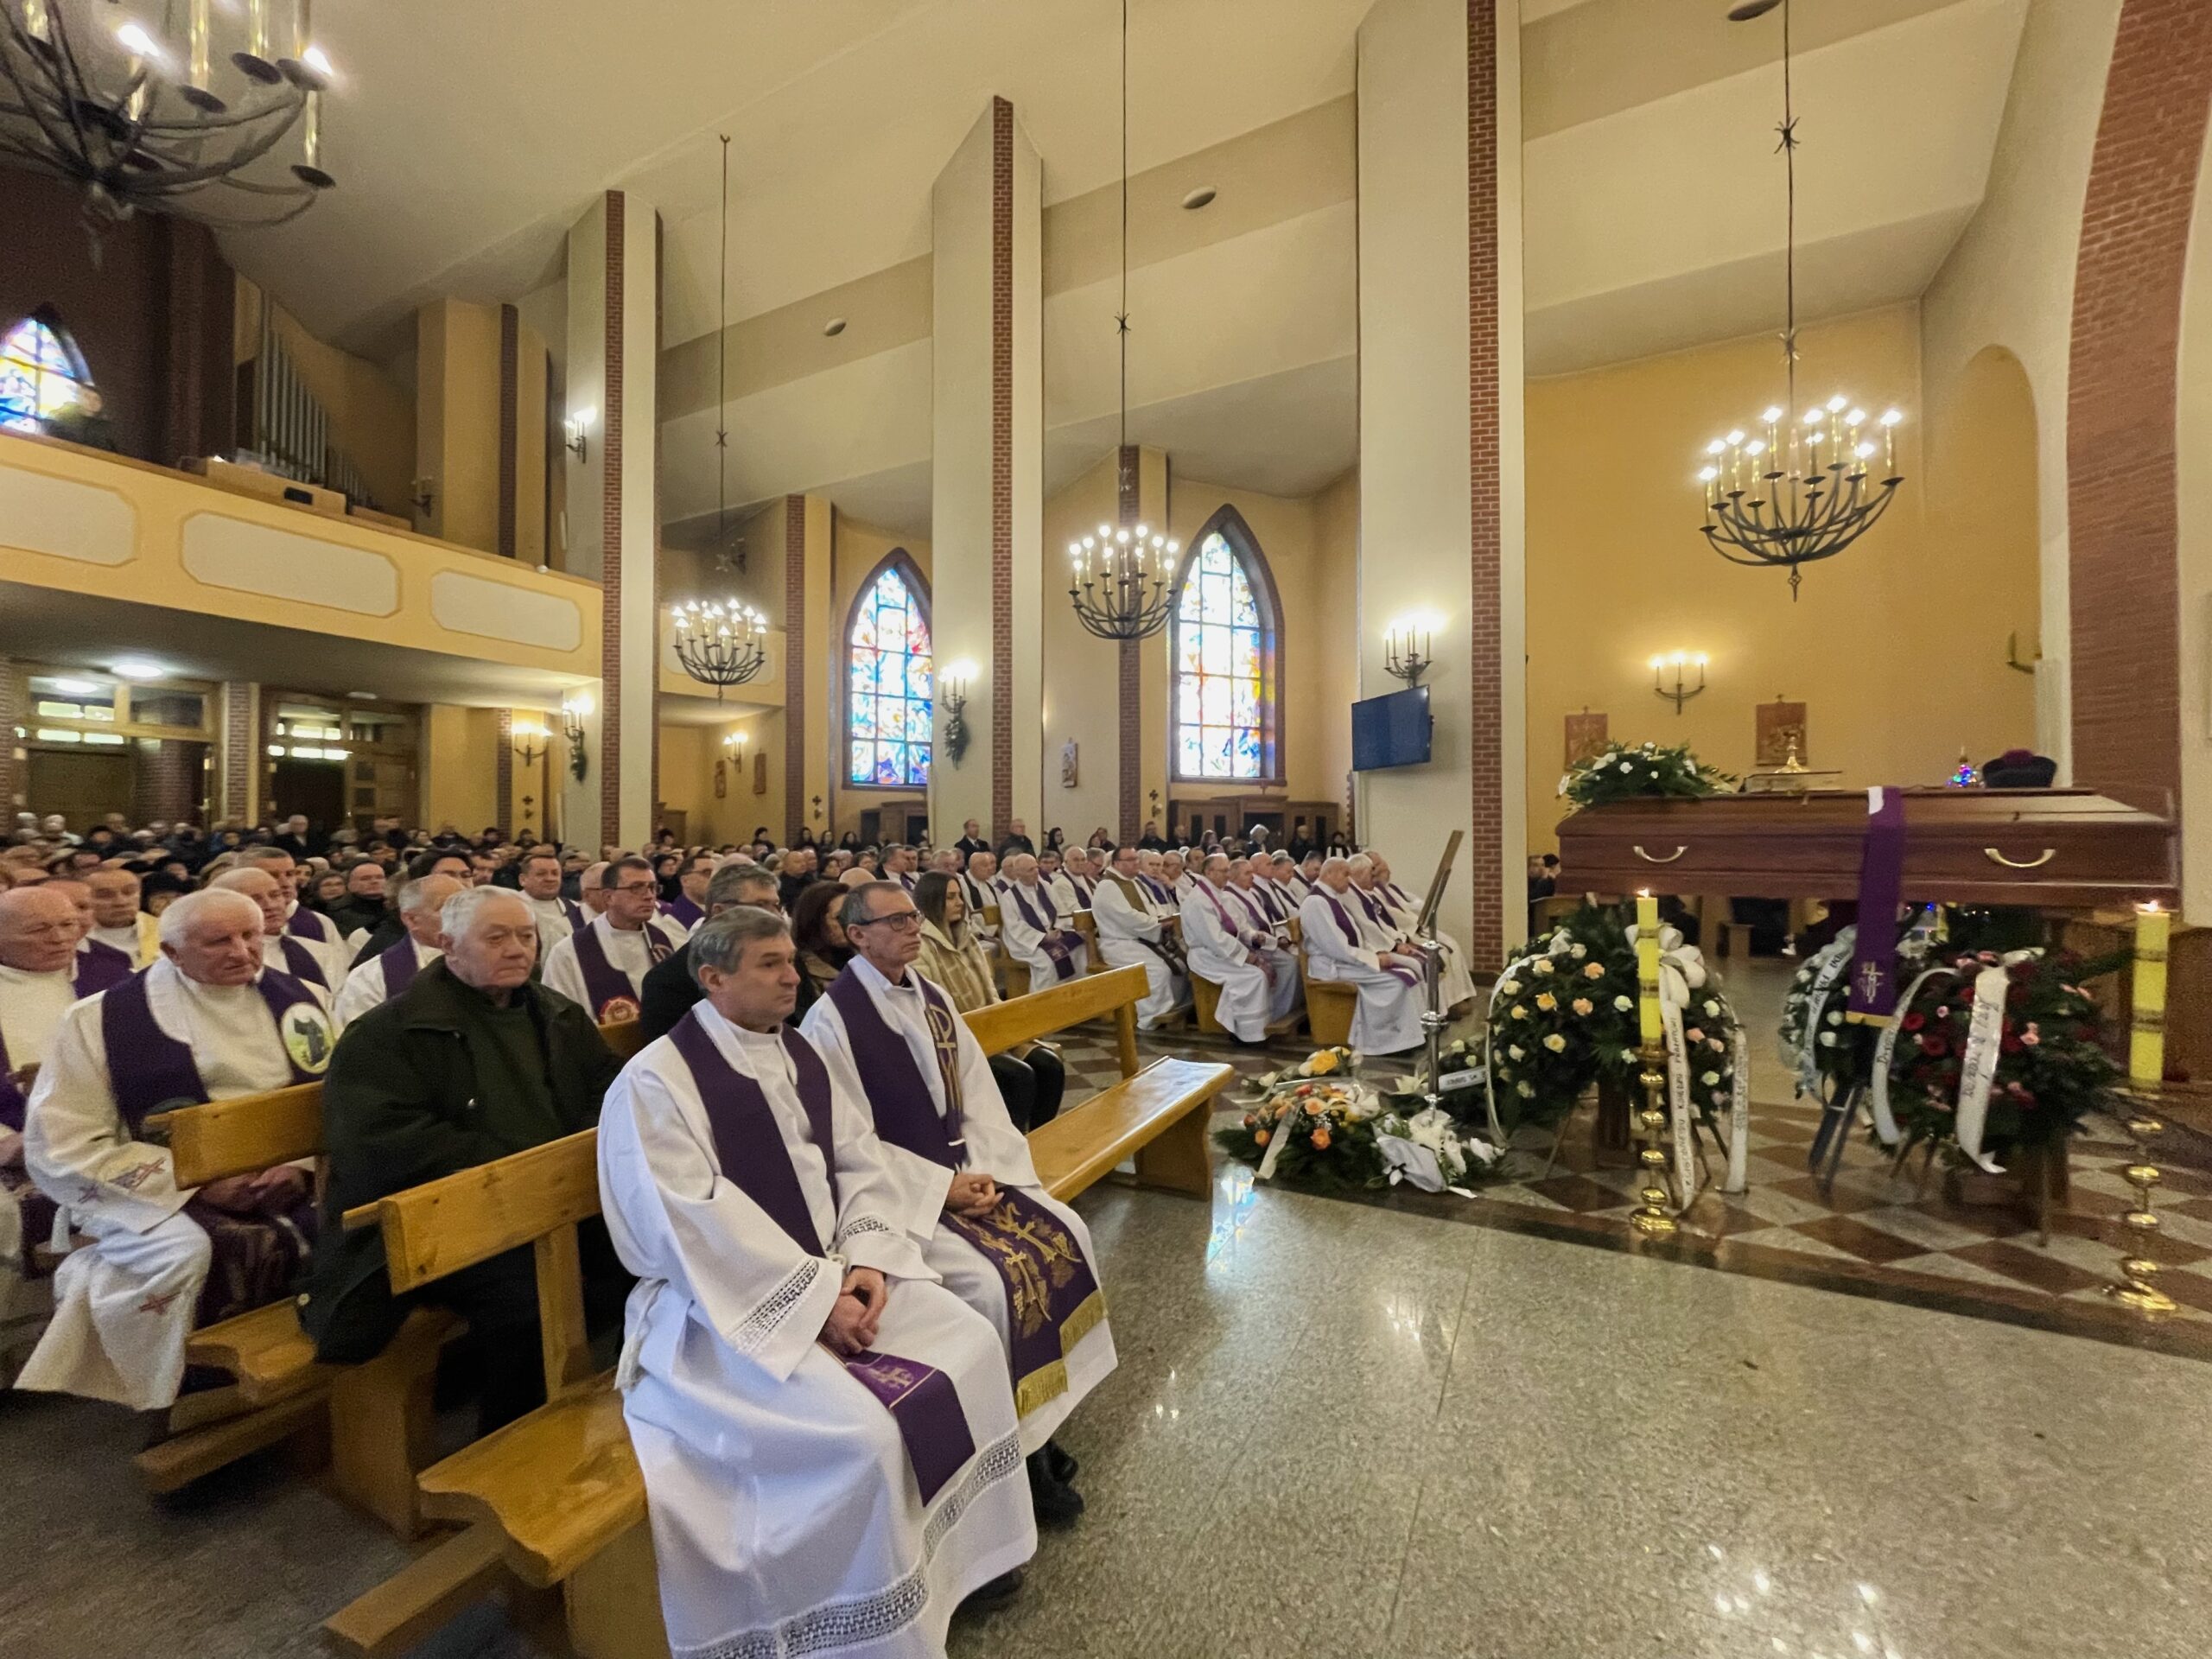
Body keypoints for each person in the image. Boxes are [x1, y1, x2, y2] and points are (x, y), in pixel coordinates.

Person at [601, 906, 1035, 1653]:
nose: (791, 978)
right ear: (713, 978)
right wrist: (816, 1299)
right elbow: (688, 1225)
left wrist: (866, 1261)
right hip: (728, 1309)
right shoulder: (655, 1082)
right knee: (864, 1435)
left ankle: (968, 1561)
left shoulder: (800, 1051)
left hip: (838, 1272)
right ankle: (859, 1625)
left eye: (789, 961)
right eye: (769, 964)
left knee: (970, 1339)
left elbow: (860, 1162)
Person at [801, 884, 1113, 1524]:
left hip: (966, 1173)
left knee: (1067, 1230)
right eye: (895, 921)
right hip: (901, 1199)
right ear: (857, 936)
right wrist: (939, 1188)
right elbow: (847, 1143)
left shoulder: (933, 998)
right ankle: (1020, 1457)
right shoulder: (831, 1023)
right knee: (989, 1285)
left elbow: (976, 1097)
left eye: (913, 917)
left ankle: (1045, 1425)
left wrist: (986, 1173)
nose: (913, 928)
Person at [306, 887, 628, 1430]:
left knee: (641, 1253)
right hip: (439, 1223)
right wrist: (517, 1169)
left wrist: (576, 1150)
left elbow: (607, 1086)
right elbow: (381, 1143)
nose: (517, 949)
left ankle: (613, 1416)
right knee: (527, 1302)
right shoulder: (389, 1033)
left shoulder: (555, 1013)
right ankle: (512, 1441)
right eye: (496, 937)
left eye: (525, 936)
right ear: (448, 945)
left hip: (551, 1203)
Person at [17, 890, 334, 1410]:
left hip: (289, 1169)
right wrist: (194, 1180)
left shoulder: (305, 999)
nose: (241, 951)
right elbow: (64, 1139)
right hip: (159, 1184)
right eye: (218, 941)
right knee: (185, 1256)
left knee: (370, 1221)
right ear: (170, 951)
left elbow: (332, 1100)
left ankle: (331, 1365)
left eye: (250, 935)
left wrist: (298, 1165)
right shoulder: (100, 1019)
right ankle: (182, 1396)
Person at [912, 872, 1065, 1131]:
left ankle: (1041, 1140)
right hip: (957, 1040)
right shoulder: (920, 946)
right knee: (1019, 1076)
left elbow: (990, 990)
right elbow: (932, 1008)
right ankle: (1012, 1145)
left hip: (990, 1028)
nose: (960, 902)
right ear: (931, 900)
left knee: (1050, 1066)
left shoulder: (967, 938)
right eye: (950, 897)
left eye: (959, 896)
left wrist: (1003, 1025)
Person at [639, 864, 798, 1042]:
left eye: (776, 906)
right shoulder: (668, 982)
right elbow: (677, 1052)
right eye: (760, 906)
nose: (775, 916)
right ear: (719, 912)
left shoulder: (786, 959)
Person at [1300, 857, 1427, 1053]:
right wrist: (1374, 959)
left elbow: (1356, 935)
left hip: (1346, 961)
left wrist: (1376, 952)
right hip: (1332, 966)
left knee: (1407, 973)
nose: (1349, 880)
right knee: (1395, 982)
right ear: (1330, 874)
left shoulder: (1332, 897)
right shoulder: (1316, 902)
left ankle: (1410, 1036)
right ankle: (1385, 1042)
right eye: (1345, 874)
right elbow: (1336, 948)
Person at [543, 857, 687, 1022]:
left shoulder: (668, 938)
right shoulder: (568, 952)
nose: (649, 896)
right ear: (608, 897)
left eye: (652, 887)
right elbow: (561, 1018)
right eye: (636, 888)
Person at [1181, 853, 1300, 1043]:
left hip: (1223, 952)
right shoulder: (1198, 901)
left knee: (1258, 973)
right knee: (1254, 976)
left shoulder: (1219, 895)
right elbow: (1215, 939)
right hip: (1207, 956)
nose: (1228, 875)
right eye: (1224, 871)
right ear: (1209, 872)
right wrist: (1246, 956)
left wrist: (1253, 936)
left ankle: (1258, 1026)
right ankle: (1247, 1034)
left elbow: (1240, 926)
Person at [332, 874, 464, 1028]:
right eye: (446, 908)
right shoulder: (370, 977)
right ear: (411, 919)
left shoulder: (486, 962)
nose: (461, 915)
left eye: (465, 907)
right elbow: (363, 1038)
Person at [1090, 844, 1191, 1030]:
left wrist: (1162, 918)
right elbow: (1127, 917)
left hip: (1140, 939)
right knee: (1159, 970)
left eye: (1136, 859)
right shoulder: (1108, 886)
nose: (1136, 863)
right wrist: (1157, 924)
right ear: (1116, 863)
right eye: (1130, 860)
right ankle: (1151, 1017)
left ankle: (1174, 1007)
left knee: (1183, 961)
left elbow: (1152, 906)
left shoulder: (1134, 881)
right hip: (1121, 943)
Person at [1361, 854, 1475, 1015]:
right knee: (1437, 954)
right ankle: (1443, 1007)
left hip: (1414, 928)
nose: (1386, 868)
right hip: (1407, 933)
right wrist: (1404, 935)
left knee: (1452, 945)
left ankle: (1459, 996)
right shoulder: (1372, 894)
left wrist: (1419, 908)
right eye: (1379, 865)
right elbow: (1394, 915)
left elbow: (1412, 901)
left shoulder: (1389, 888)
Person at [212, 867, 351, 993]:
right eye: (255, 899)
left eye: (275, 895)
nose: (270, 905)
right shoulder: (225, 964)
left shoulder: (322, 953)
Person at [995, 854, 1087, 988]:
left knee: (1080, 946)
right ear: (1018, 874)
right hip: (1028, 942)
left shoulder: (1046, 887)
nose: (1036, 872)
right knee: (1048, 962)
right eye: (1030, 870)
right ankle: (1044, 998)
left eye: (1036, 868)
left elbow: (1060, 911)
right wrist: (1043, 937)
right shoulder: (1009, 897)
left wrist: (1059, 929)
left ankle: (1077, 991)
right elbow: (1015, 927)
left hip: (1053, 933)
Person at [237, 845, 345, 948]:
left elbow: (338, 960)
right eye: (272, 875)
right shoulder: (233, 924)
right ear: (244, 879)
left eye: (290, 874)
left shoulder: (321, 923)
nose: (285, 883)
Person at [517, 848, 588, 963]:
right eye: (541, 874)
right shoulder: (510, 907)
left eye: (555, 873)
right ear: (523, 880)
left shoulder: (574, 909)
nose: (550, 879)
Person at [790, 880, 855, 998]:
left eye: (854, 914)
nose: (852, 923)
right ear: (815, 922)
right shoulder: (798, 970)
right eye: (840, 917)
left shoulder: (867, 956)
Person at [327, 859, 390, 940]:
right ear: (350, 885)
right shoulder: (338, 911)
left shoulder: (397, 907)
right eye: (365, 878)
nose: (374, 881)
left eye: (379, 877)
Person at [660, 853, 715, 933]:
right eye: (707, 873)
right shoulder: (673, 921)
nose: (714, 878)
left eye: (716, 873)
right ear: (685, 881)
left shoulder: (722, 910)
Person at [777, 843, 820, 912]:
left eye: (804, 861)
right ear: (786, 866)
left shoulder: (810, 879)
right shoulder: (779, 884)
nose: (803, 864)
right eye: (797, 862)